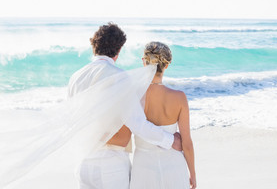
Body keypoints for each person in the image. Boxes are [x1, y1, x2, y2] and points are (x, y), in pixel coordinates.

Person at [67, 23, 182, 189]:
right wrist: (171, 140)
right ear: (118, 50)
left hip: (83, 163)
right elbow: (138, 124)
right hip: (111, 165)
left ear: (94, 46)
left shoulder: (75, 77)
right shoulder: (119, 78)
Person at [130, 42, 196, 189]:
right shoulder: (179, 97)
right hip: (174, 164)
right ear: (166, 65)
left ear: (144, 62)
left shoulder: (134, 95)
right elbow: (187, 143)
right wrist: (192, 174)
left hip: (143, 166)